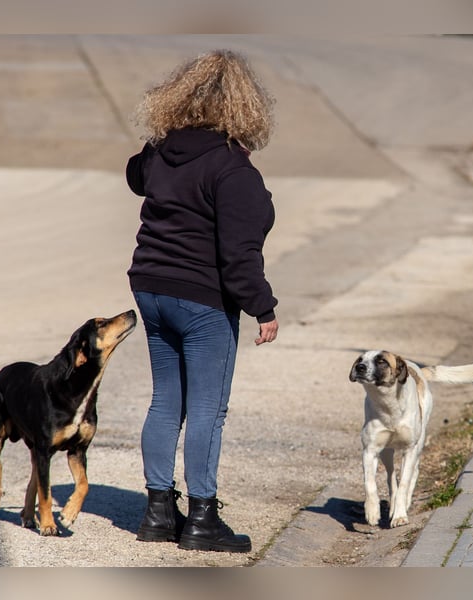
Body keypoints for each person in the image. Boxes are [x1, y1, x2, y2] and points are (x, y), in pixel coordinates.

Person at [126, 50, 278, 553]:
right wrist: (263, 307)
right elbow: (239, 255)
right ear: (246, 107)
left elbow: (135, 176)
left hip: (151, 288)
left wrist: (159, 141)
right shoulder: (233, 169)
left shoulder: (162, 151)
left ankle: (157, 512)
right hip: (201, 300)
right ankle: (202, 520)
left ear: (179, 97)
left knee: (166, 400)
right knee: (208, 409)